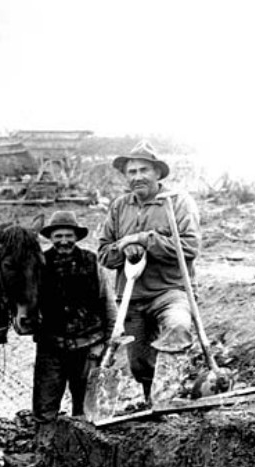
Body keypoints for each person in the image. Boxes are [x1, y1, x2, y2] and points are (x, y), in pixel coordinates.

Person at [98, 141, 202, 405]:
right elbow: (104, 254)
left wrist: (146, 239)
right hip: (131, 296)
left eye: (144, 170)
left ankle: (171, 394)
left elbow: (189, 247)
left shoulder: (177, 203)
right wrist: (126, 249)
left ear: (157, 173)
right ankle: (151, 402)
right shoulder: (120, 207)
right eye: (131, 172)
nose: (137, 177)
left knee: (178, 328)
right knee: (139, 363)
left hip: (171, 291)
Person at [33, 211, 116, 428]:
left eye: (68, 235)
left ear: (76, 237)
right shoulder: (39, 264)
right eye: (58, 236)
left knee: (88, 410)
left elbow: (108, 303)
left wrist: (107, 344)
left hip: (89, 347)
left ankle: (82, 456)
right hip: (51, 348)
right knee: (44, 408)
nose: (63, 241)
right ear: (50, 238)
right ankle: (45, 454)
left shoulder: (92, 262)